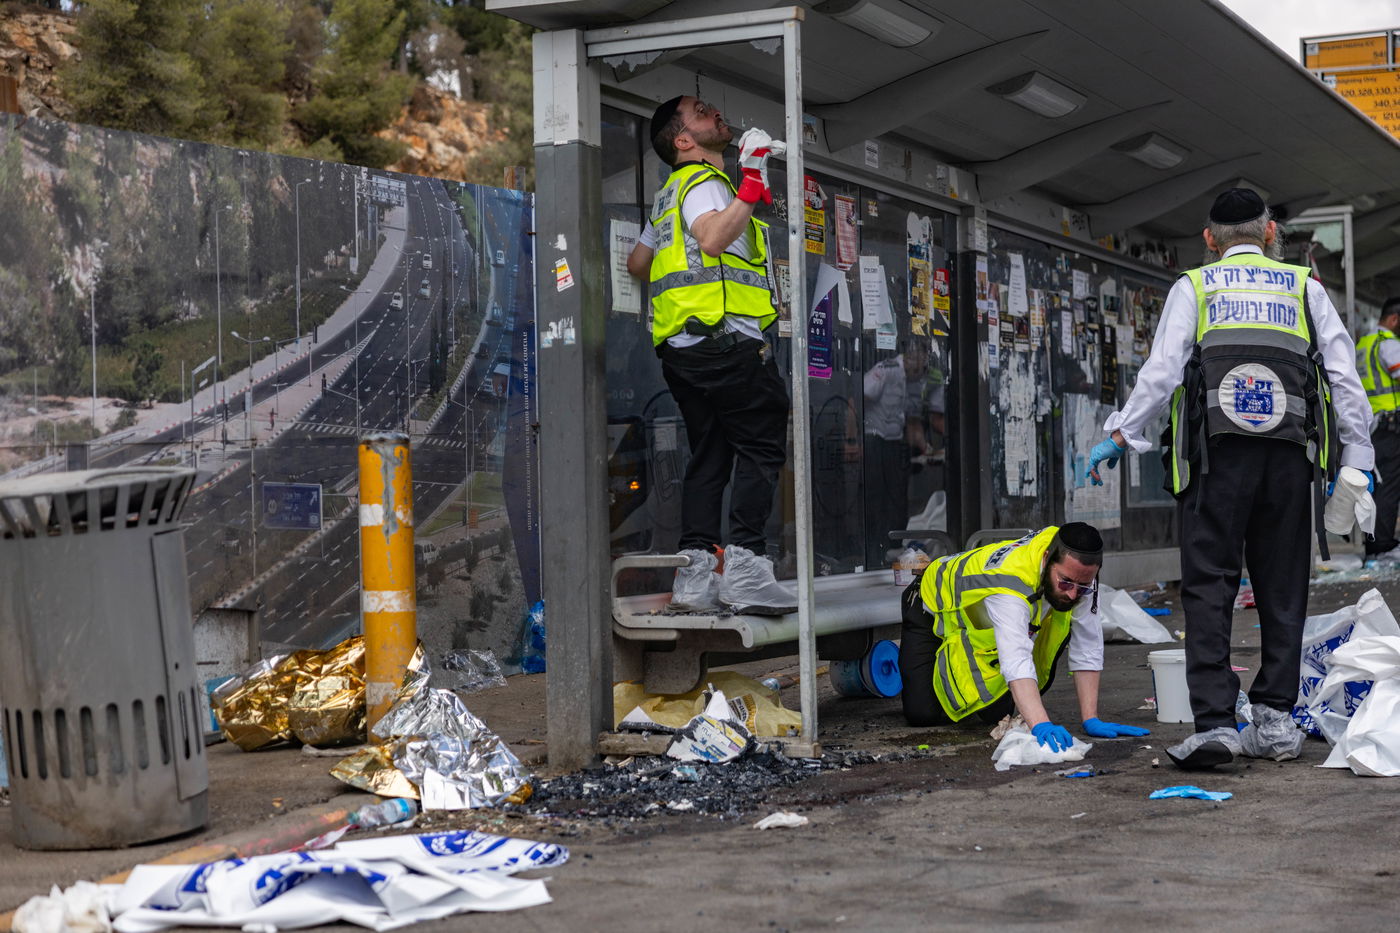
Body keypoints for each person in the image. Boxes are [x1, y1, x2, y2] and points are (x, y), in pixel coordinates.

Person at [1086, 188, 1375, 769]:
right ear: (1271, 233)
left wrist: (1121, 434)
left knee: (1210, 587)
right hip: (1290, 460)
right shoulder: (1305, 288)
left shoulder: (1195, 286)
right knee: (1283, 588)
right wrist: (1359, 461)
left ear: (1208, 240)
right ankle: (1272, 720)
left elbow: (1162, 371)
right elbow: (1345, 379)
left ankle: (1216, 724)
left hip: (1213, 460)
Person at [625, 95, 795, 615]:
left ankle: (694, 576)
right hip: (726, 342)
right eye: (702, 112)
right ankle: (745, 568)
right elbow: (714, 239)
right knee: (762, 443)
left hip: (682, 351)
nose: (716, 112)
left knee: (712, 453)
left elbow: (637, 262)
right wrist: (749, 181)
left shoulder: (668, 193)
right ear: (684, 140)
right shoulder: (703, 183)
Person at [898, 523, 1149, 749]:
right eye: (1065, 583)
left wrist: (1091, 718)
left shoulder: (1079, 573)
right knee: (923, 714)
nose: (1073, 595)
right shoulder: (1010, 586)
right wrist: (1040, 724)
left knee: (994, 713)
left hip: (976, 625)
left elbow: (1088, 643)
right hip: (928, 604)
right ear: (1046, 559)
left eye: (1082, 587)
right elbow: (1016, 659)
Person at [1355, 296, 1400, 565]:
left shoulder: (1363, 345)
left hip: (1371, 425)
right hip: (1390, 424)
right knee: (1388, 487)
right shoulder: (1389, 344)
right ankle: (1381, 545)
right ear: (1394, 320)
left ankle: (1376, 543)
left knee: (1377, 487)